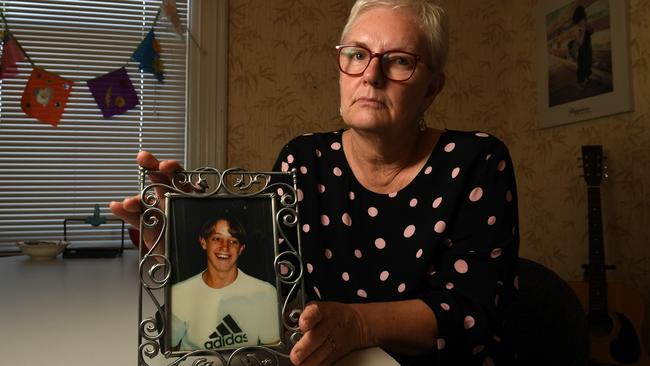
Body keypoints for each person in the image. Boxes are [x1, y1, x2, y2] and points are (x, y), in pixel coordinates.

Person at [111, 0, 519, 364]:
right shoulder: (303, 161)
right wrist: (176, 240)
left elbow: (472, 312)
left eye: (399, 61)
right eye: (357, 55)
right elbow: (266, 281)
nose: (371, 75)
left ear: (432, 88)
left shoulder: (476, 162)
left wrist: (357, 324)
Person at [170, 214, 280, 351]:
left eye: (233, 241)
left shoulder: (265, 292)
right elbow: (170, 351)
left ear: (241, 249)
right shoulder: (178, 293)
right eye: (217, 239)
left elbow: (270, 353)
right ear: (203, 242)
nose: (225, 247)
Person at [572, 5, 593, 88]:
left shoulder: (585, 23)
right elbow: (580, 42)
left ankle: (586, 79)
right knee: (582, 67)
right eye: (583, 16)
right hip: (583, 52)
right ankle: (580, 83)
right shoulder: (577, 29)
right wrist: (583, 31)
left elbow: (592, 31)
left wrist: (587, 26)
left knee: (588, 65)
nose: (583, 19)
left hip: (588, 49)